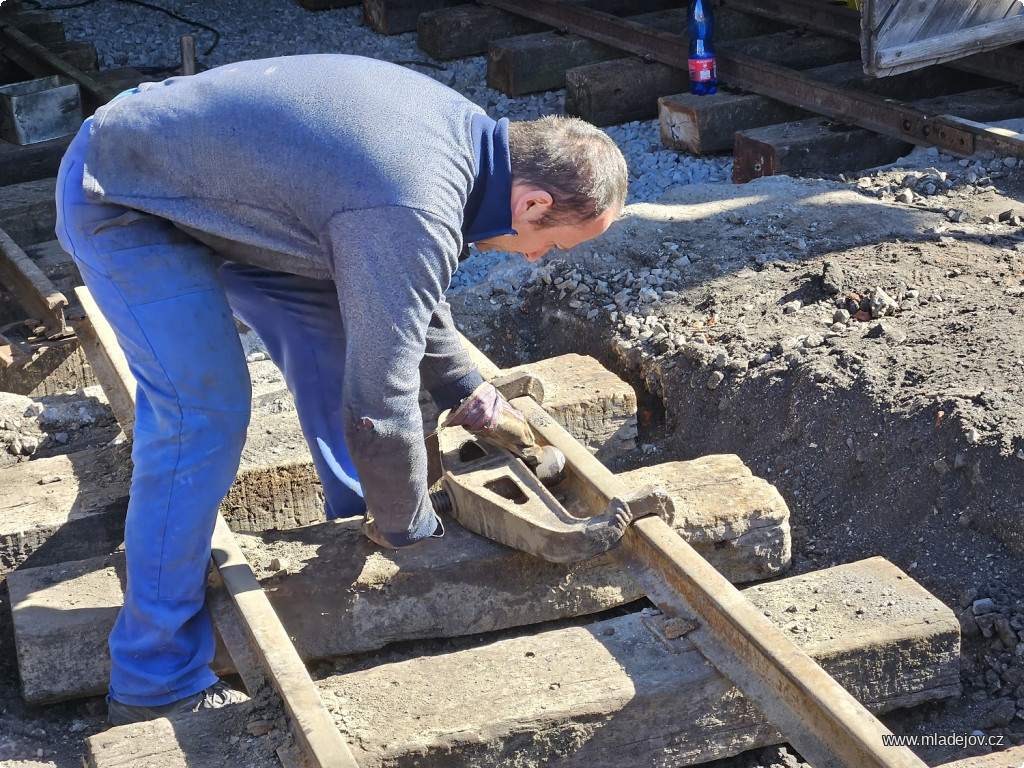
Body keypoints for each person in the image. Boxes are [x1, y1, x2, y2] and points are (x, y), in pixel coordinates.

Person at [54, 53, 627, 726]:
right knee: (200, 415)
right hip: (125, 196)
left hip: (245, 203)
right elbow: (379, 408)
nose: (537, 258)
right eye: (551, 244)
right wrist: (414, 535)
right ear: (532, 203)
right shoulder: (413, 196)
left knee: (340, 349)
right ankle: (154, 676)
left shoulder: (464, 148)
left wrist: (470, 393)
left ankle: (354, 544)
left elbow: (407, 297)